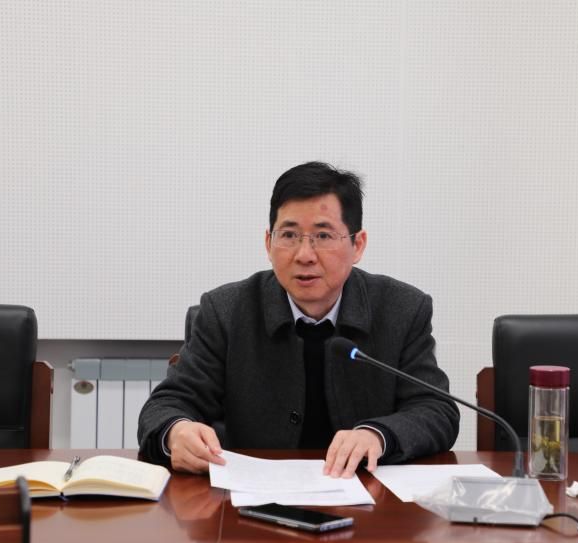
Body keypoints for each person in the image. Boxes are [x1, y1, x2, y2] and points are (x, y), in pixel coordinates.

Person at [138, 161, 459, 477]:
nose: (304, 255)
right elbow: (166, 405)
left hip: (367, 497)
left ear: (357, 245)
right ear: (268, 243)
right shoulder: (225, 311)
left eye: (323, 236)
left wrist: (378, 436)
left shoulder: (402, 310)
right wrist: (175, 432)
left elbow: (436, 409)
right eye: (289, 235)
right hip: (252, 498)